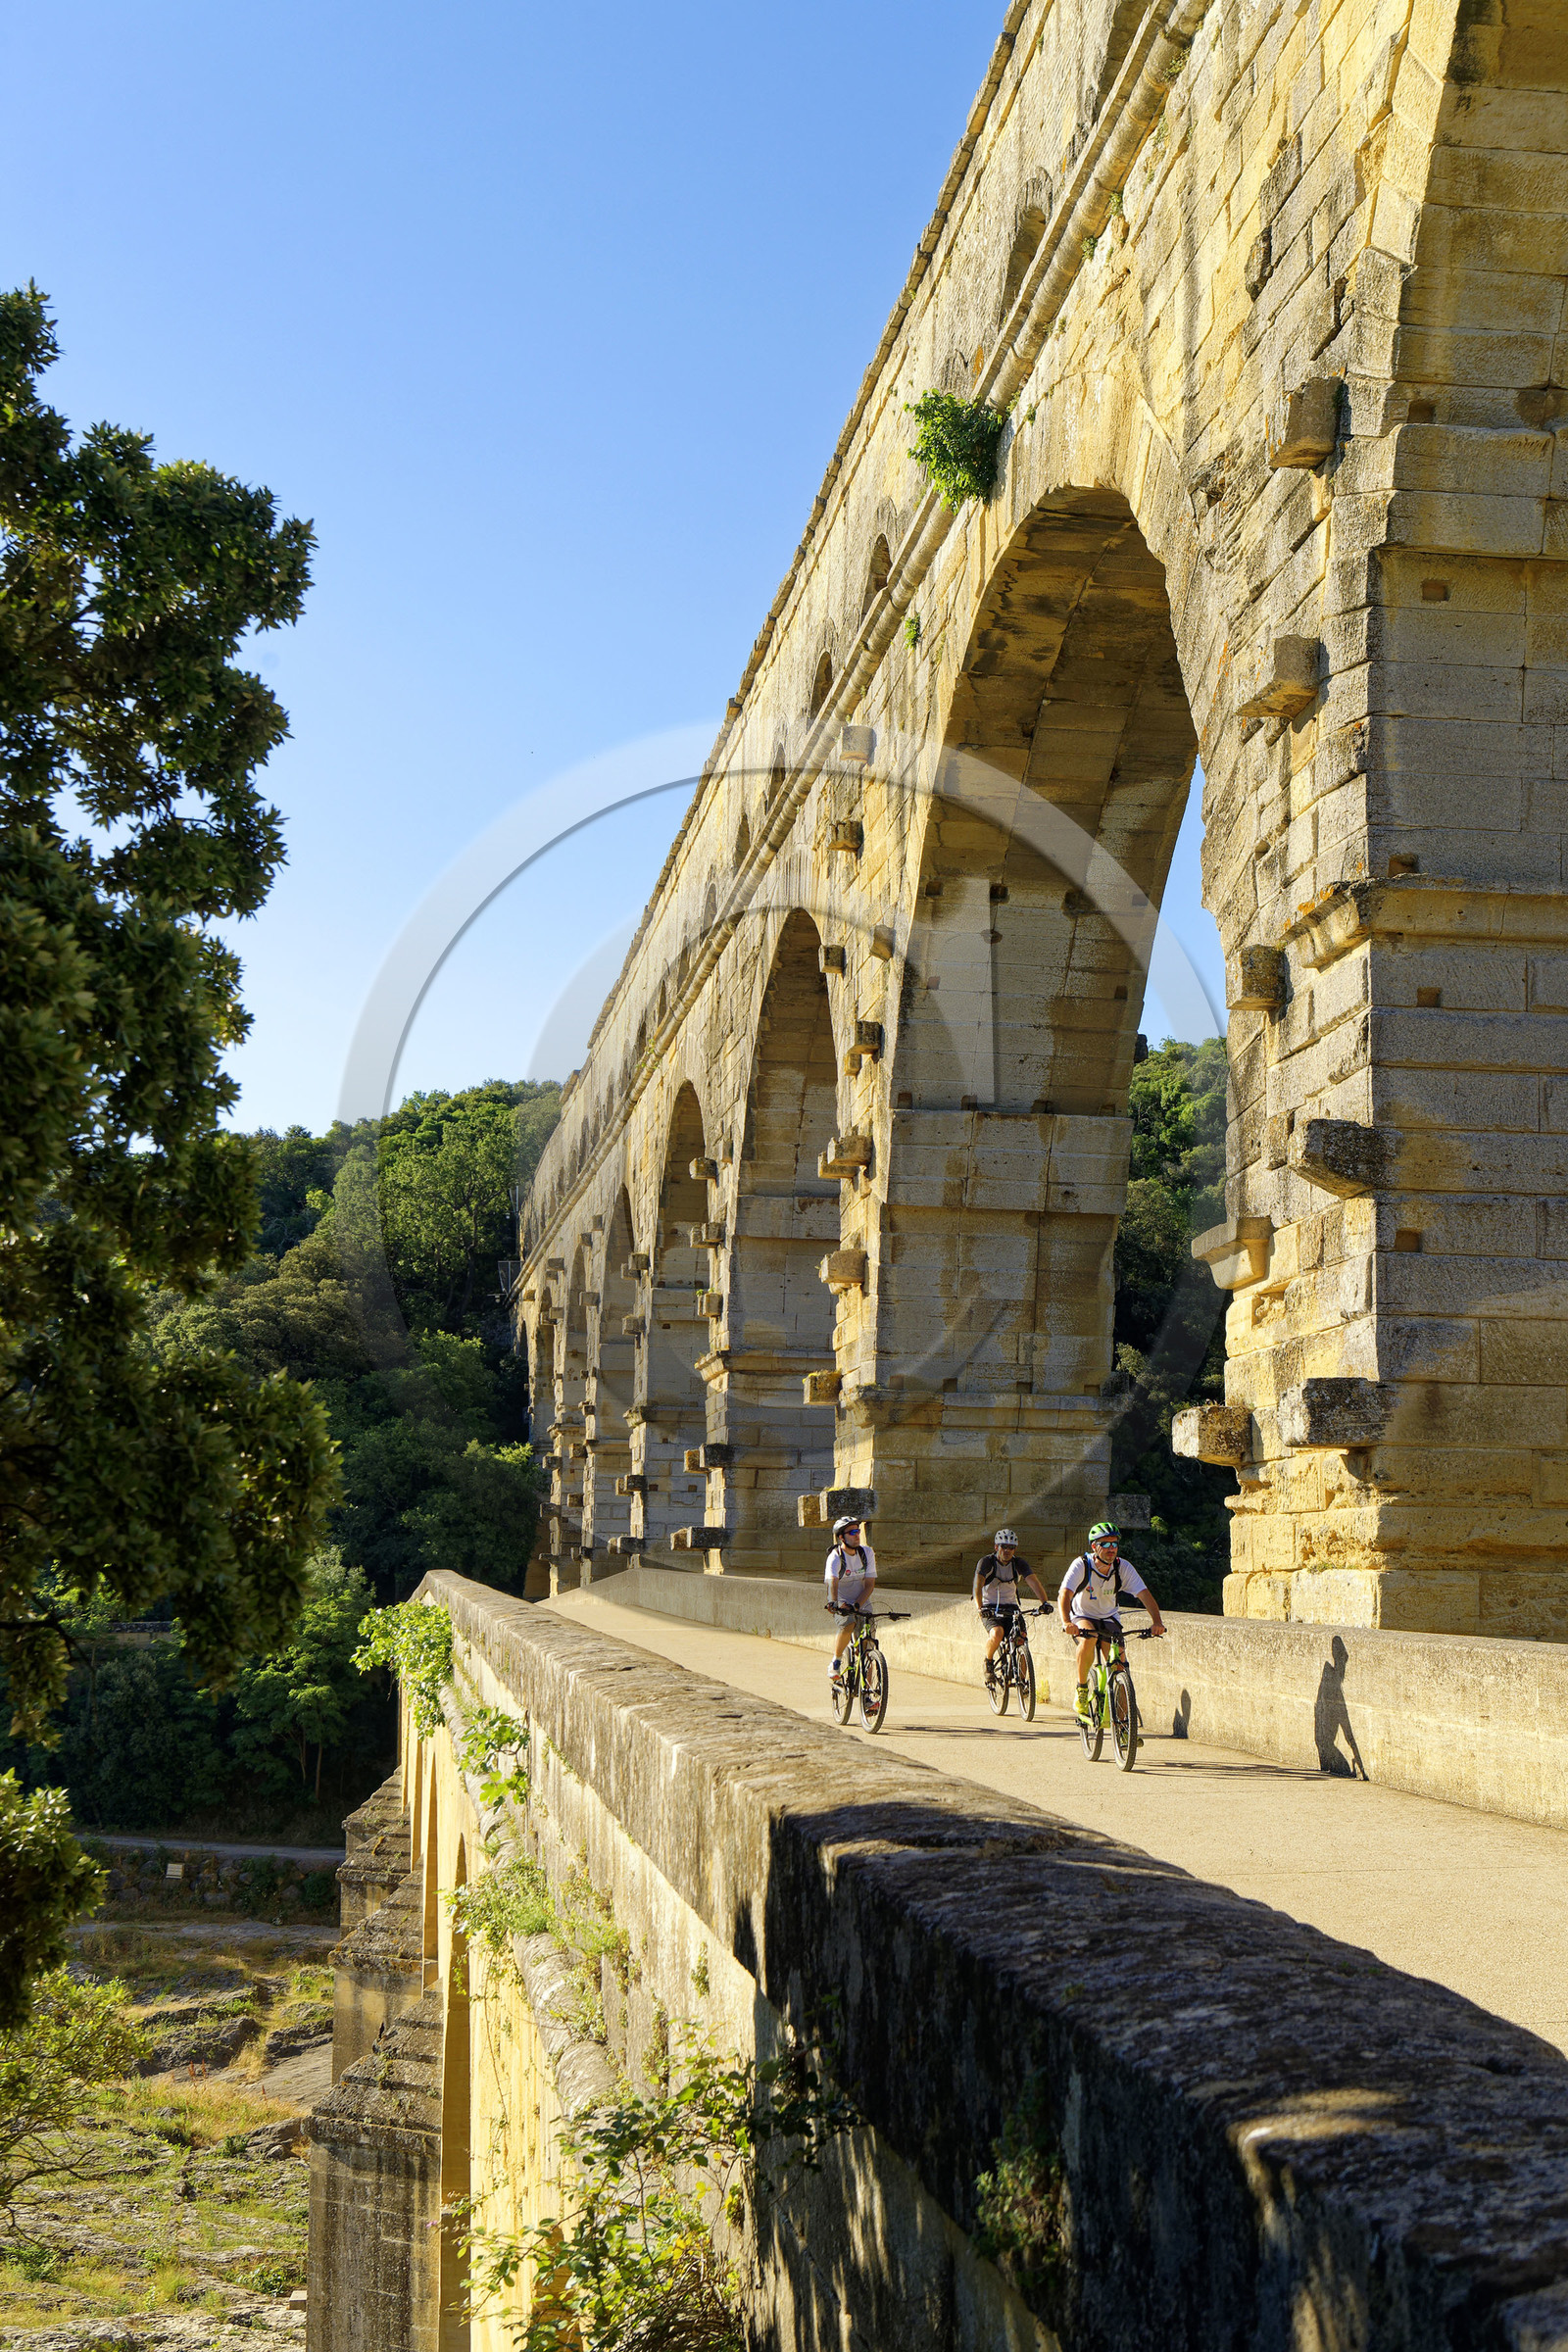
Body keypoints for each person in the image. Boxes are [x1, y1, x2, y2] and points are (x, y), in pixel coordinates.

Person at [1057, 1520, 1166, 1721]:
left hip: (1109, 1617)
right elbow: (1065, 1594)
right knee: (1089, 1638)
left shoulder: (1122, 1567)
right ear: (1094, 1546)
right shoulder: (1082, 1565)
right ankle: (1082, 1688)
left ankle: (1124, 1724)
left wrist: (1157, 1622)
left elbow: (1144, 1594)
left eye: (1114, 1543)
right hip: (1082, 1615)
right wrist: (1066, 1622)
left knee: (1120, 1666)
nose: (1111, 1548)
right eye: (1105, 1544)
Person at [972, 1529, 1048, 1687]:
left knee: (1021, 1639)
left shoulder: (1018, 1563)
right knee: (997, 1633)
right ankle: (988, 1662)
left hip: (1012, 1607)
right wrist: (980, 1608)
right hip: (989, 1607)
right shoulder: (986, 1562)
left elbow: (1033, 1582)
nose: (1007, 1551)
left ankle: (1024, 1683)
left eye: (1011, 1547)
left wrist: (1045, 1603)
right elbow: (977, 1586)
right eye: (1003, 1547)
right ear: (996, 1547)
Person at [824, 1515, 876, 1686]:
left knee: (868, 1648)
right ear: (841, 1537)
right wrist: (835, 1603)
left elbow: (869, 1585)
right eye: (852, 1532)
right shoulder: (836, 1557)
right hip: (841, 1600)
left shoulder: (867, 1553)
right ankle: (836, 1661)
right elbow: (832, 1582)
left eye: (858, 1531)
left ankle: (868, 1693)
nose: (857, 1535)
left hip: (861, 1601)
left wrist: (857, 1605)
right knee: (849, 1623)